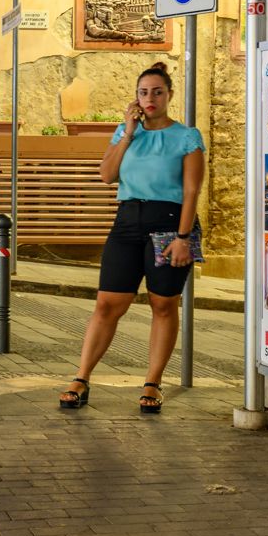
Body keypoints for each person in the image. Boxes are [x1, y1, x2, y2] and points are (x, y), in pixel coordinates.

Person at [59, 61, 205, 414]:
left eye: (157, 92)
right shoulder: (126, 133)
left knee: (163, 304)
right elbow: (107, 175)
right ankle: (81, 377)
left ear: (169, 95)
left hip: (170, 225)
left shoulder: (186, 137)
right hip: (127, 223)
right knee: (107, 304)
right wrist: (127, 132)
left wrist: (183, 238)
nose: (150, 98)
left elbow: (191, 191)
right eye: (143, 92)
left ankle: (153, 382)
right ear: (136, 98)